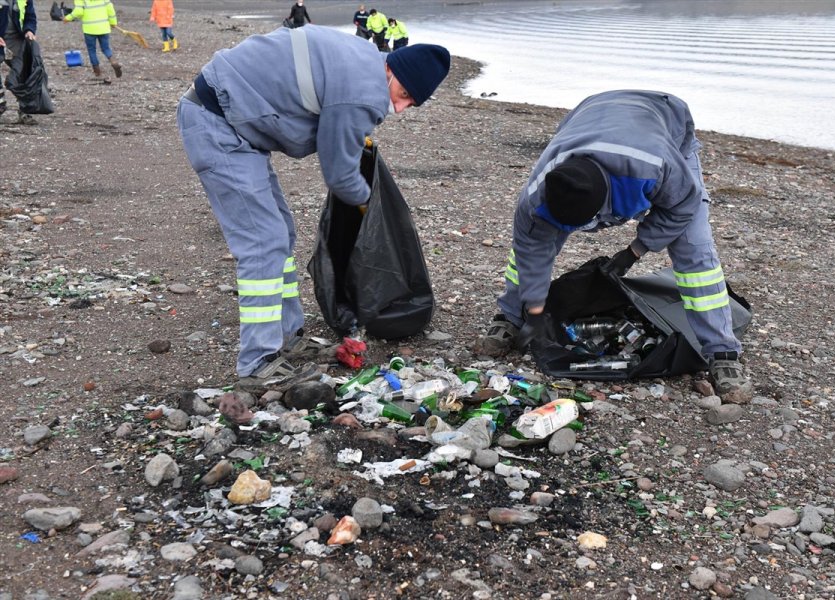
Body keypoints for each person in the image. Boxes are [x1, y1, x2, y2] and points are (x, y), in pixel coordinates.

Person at [177, 25, 450, 388]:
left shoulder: (361, 59)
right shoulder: (365, 90)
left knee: (281, 231)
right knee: (264, 242)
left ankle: (288, 336)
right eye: (402, 95)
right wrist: (369, 204)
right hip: (217, 126)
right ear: (392, 71)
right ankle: (258, 361)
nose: (398, 109)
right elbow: (339, 175)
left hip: (235, 124)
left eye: (409, 104)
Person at [478, 90, 752, 404]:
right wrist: (535, 309)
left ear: (604, 208)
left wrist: (636, 249)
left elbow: (682, 208)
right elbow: (530, 251)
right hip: (591, 113)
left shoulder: (656, 166)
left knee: (695, 251)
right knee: (531, 248)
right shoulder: (536, 197)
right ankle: (509, 317)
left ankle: (723, 352)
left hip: (665, 121)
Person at [63, 0, 122, 83]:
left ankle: (97, 72)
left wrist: (68, 17)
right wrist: (113, 22)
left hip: (89, 29)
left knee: (92, 50)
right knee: (106, 48)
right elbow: (110, 9)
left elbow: (79, 12)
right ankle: (113, 62)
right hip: (103, 27)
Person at [0, 0, 39, 124]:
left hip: (17, 40)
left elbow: (30, 17)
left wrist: (29, 30)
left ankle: (25, 111)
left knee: (24, 74)